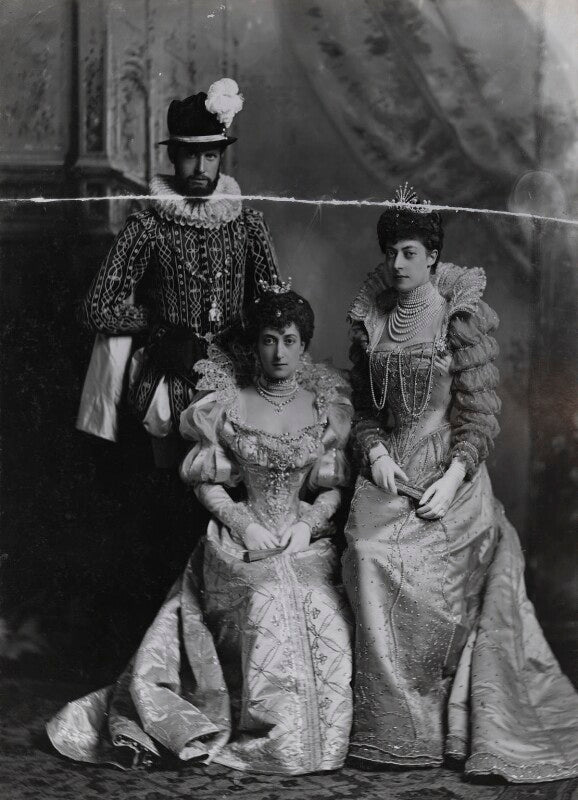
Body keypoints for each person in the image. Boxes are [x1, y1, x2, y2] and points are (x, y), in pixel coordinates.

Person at [47, 284, 353, 775]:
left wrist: (310, 525)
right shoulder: (226, 406)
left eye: (290, 340)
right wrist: (244, 524)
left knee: (323, 604)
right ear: (254, 344)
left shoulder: (325, 407)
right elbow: (209, 485)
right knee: (269, 600)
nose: (279, 352)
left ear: (304, 344)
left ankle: (322, 739)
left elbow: (332, 486)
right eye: (269, 339)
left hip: (303, 539)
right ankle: (273, 738)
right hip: (238, 541)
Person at [342, 184, 578, 782]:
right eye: (392, 251)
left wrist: (453, 476)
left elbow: (477, 415)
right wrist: (373, 454)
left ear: (434, 258)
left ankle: (436, 723)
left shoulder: (460, 313)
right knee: (364, 553)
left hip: (450, 474)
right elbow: (364, 413)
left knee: (422, 565)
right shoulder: (370, 314)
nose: (397, 264)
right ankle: (388, 730)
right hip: (390, 471)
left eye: (411, 253)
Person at [76, 77, 279, 459]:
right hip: (168, 385)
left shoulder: (249, 225)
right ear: (174, 158)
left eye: (210, 157)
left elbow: (272, 306)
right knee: (172, 491)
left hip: (240, 380)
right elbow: (96, 309)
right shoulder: (146, 227)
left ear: (221, 158)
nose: (200, 168)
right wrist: (156, 327)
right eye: (189, 155)